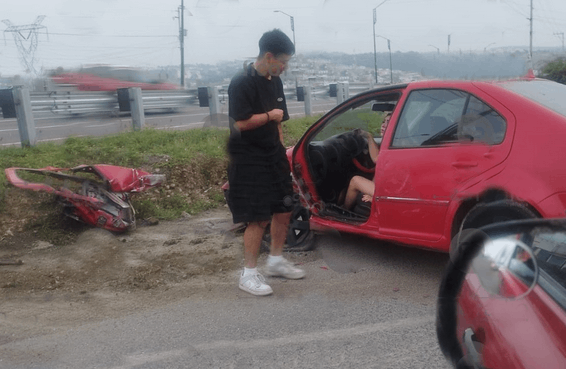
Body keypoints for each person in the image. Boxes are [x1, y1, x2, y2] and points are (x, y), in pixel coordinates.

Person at [227, 29, 305, 296]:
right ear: (268, 56)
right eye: (283, 61)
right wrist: (269, 115)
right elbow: (240, 122)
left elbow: (279, 122)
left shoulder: (276, 81)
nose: (285, 67)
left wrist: (282, 152)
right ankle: (248, 275)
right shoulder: (242, 82)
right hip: (248, 159)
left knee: (284, 208)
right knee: (257, 218)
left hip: (273, 156)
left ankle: (275, 261)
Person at [342, 129, 380, 210]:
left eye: (388, 122)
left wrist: (369, 136)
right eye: (384, 121)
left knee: (355, 180)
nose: (384, 125)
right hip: (386, 187)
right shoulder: (395, 142)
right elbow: (378, 172)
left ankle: (344, 211)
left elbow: (377, 159)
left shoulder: (397, 143)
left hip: (390, 192)